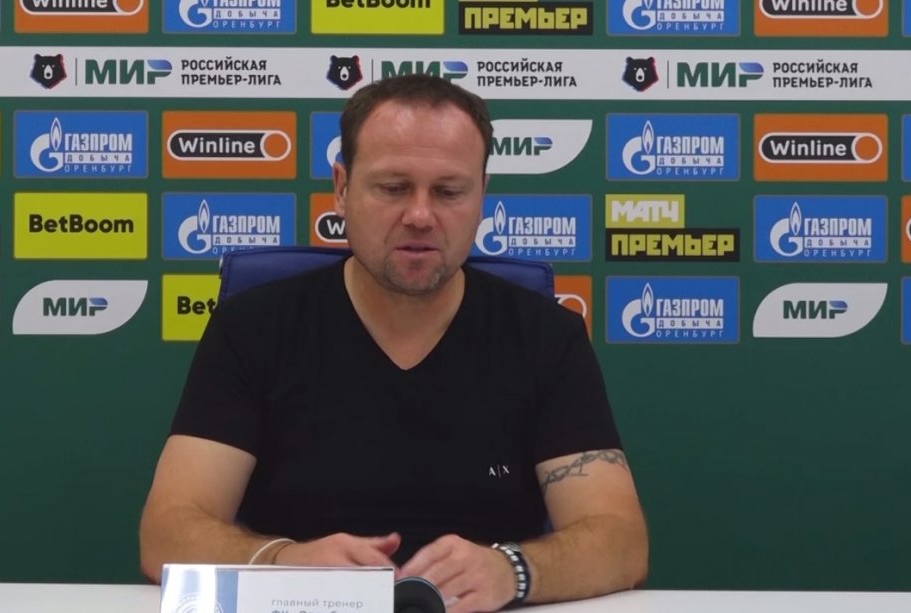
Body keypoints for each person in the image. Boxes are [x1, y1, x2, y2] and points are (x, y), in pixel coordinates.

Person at [139, 74, 649, 611]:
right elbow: (166, 533)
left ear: (482, 196)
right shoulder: (252, 328)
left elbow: (622, 541)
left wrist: (514, 570)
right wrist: (283, 562)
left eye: (448, 192)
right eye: (393, 187)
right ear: (341, 188)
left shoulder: (546, 335)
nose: (420, 216)